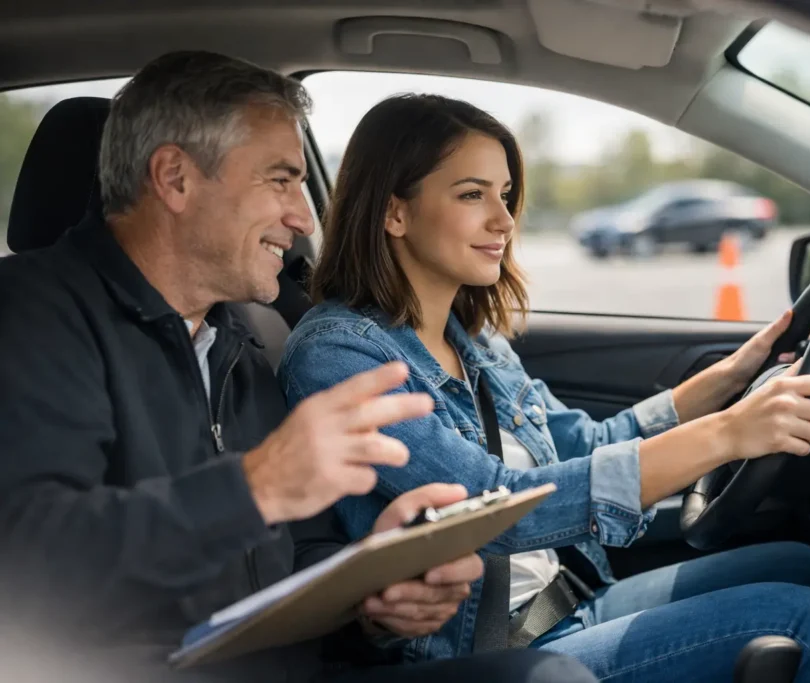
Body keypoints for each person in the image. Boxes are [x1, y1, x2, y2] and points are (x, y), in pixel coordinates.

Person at [0, 52, 598, 683]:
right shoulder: (34, 317)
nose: (304, 217)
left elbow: (299, 554)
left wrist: (374, 596)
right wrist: (254, 488)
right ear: (175, 179)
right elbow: (27, 565)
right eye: (281, 180)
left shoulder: (236, 343)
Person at [278, 93, 810, 683]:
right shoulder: (340, 355)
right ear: (395, 213)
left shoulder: (472, 340)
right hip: (485, 655)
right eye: (472, 194)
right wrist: (727, 434)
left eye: (505, 195)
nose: (503, 220)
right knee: (800, 620)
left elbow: (585, 443)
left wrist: (731, 379)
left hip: (569, 603)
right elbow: (492, 509)